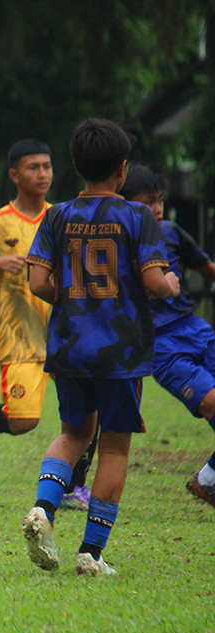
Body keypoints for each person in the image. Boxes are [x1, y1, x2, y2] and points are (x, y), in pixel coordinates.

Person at [24, 118, 179, 576]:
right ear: (123, 169)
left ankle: (43, 510)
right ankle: (91, 554)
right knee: (113, 449)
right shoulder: (138, 217)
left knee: (73, 434)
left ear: (75, 165)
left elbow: (37, 281)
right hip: (122, 352)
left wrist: (74, 300)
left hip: (69, 346)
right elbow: (154, 279)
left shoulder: (56, 215)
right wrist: (169, 283)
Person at [0, 138, 94, 509]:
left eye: (47, 166)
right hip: (20, 334)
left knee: (90, 414)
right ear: (14, 174)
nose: (42, 174)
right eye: (33, 167)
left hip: (66, 334)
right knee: (24, 421)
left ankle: (73, 488)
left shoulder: (64, 216)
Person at [120, 164, 215, 510]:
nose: (157, 210)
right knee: (212, 402)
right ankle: (208, 479)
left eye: (160, 201)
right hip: (160, 346)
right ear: (126, 204)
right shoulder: (119, 243)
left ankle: (208, 479)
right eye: (149, 202)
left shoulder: (172, 232)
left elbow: (206, 267)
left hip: (196, 329)